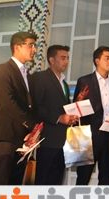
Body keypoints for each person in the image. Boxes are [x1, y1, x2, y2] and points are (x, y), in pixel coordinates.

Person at [0, 31, 38, 185]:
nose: (35, 49)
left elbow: (31, 106)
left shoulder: (28, 75)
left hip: (23, 140)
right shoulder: (2, 70)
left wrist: (34, 131)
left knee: (15, 186)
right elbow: (7, 103)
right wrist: (30, 124)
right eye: (31, 45)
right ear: (17, 47)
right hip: (6, 137)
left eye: (35, 46)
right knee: (0, 184)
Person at [74, 46, 109, 185]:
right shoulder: (84, 81)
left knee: (106, 177)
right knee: (83, 177)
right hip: (89, 136)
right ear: (97, 61)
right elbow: (77, 108)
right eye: (107, 58)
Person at [32, 45, 78, 185]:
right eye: (63, 58)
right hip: (47, 139)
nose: (66, 61)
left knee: (57, 181)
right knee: (43, 181)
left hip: (63, 141)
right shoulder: (40, 78)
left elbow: (63, 108)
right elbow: (36, 107)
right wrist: (58, 118)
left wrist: (71, 117)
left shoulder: (64, 83)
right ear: (51, 60)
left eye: (67, 58)